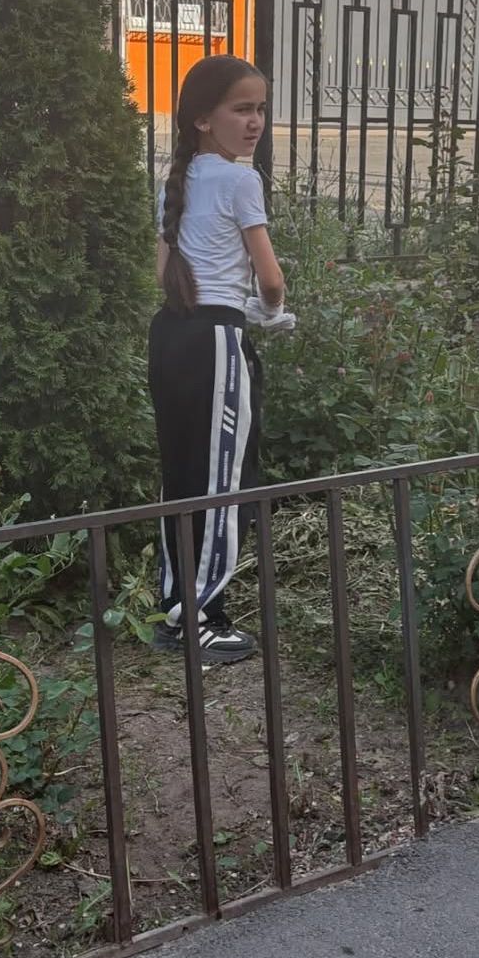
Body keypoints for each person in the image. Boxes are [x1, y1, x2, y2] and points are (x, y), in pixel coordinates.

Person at [148, 55, 293, 665]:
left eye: (260, 109)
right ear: (203, 119)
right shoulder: (240, 181)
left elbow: (164, 271)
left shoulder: (175, 182)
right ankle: (200, 620)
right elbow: (271, 277)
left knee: (181, 472)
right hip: (215, 340)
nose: (255, 122)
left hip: (170, 336)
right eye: (241, 109)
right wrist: (269, 311)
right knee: (220, 480)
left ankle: (173, 606)